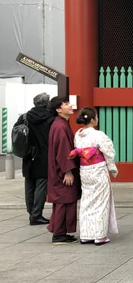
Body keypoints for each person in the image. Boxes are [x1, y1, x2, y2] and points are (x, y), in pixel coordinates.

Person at [70, 107, 118, 245]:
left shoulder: (78, 134)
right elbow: (109, 151)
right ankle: (99, 236)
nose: (97, 118)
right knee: (101, 202)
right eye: (96, 116)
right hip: (98, 170)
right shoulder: (98, 135)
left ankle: (85, 234)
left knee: (87, 201)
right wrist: (112, 168)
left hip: (84, 170)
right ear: (92, 119)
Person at [46, 96, 81, 244]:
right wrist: (68, 171)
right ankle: (59, 234)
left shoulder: (60, 124)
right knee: (64, 200)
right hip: (62, 171)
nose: (70, 105)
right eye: (66, 104)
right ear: (58, 109)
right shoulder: (60, 126)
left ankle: (60, 231)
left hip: (59, 169)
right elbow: (63, 150)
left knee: (63, 200)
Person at [15, 92, 53, 225]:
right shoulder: (50, 118)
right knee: (41, 186)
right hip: (44, 156)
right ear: (47, 104)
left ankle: (31, 212)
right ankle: (36, 215)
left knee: (29, 184)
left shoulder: (24, 117)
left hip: (28, 156)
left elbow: (17, 133)